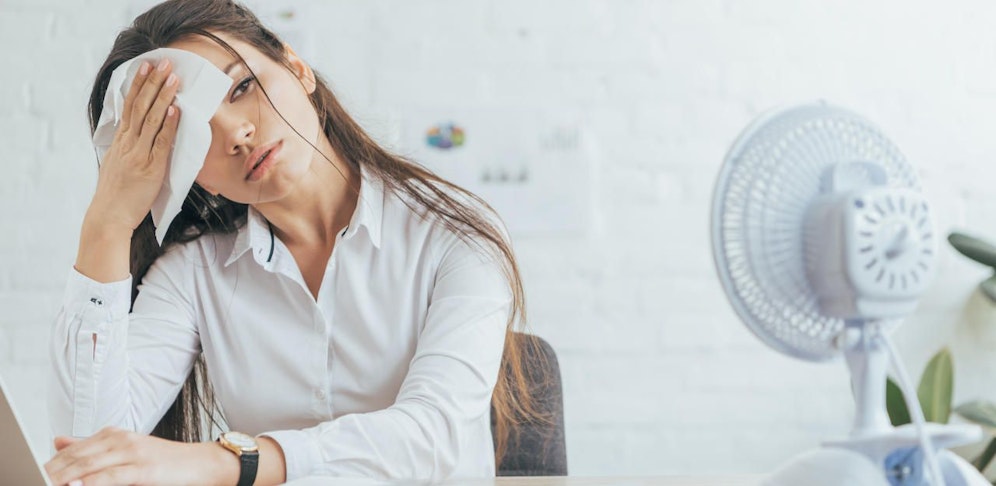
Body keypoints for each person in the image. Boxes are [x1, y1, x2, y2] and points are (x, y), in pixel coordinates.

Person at [43, 1, 542, 484]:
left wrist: (230, 463)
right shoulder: (192, 274)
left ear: (297, 67)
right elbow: (88, 455)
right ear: (192, 176)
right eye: (194, 133)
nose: (236, 133)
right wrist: (108, 223)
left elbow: (433, 436)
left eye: (240, 86)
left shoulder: (452, 233)